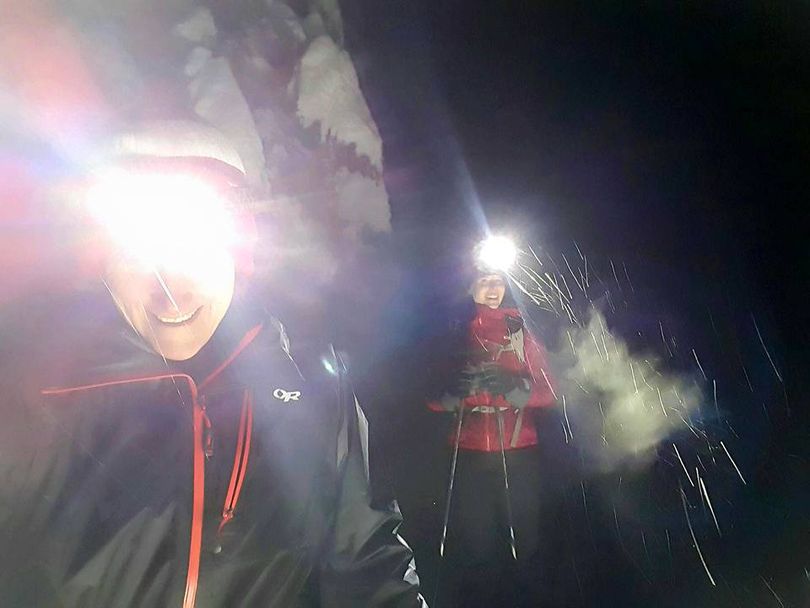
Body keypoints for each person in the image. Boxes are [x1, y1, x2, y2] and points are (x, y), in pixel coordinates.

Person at [0, 120, 427, 608]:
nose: (169, 291)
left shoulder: (309, 382)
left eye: (195, 249)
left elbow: (368, 567)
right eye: (138, 255)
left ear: (236, 254)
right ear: (102, 263)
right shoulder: (32, 394)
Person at [427, 262, 556, 607]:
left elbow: (550, 391)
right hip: (467, 451)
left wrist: (516, 389)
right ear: (470, 287)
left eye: (498, 281)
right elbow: (430, 397)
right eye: (484, 282)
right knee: (477, 543)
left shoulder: (520, 329)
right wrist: (454, 394)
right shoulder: (454, 330)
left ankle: (526, 599)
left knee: (524, 540)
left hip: (518, 449)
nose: (493, 289)